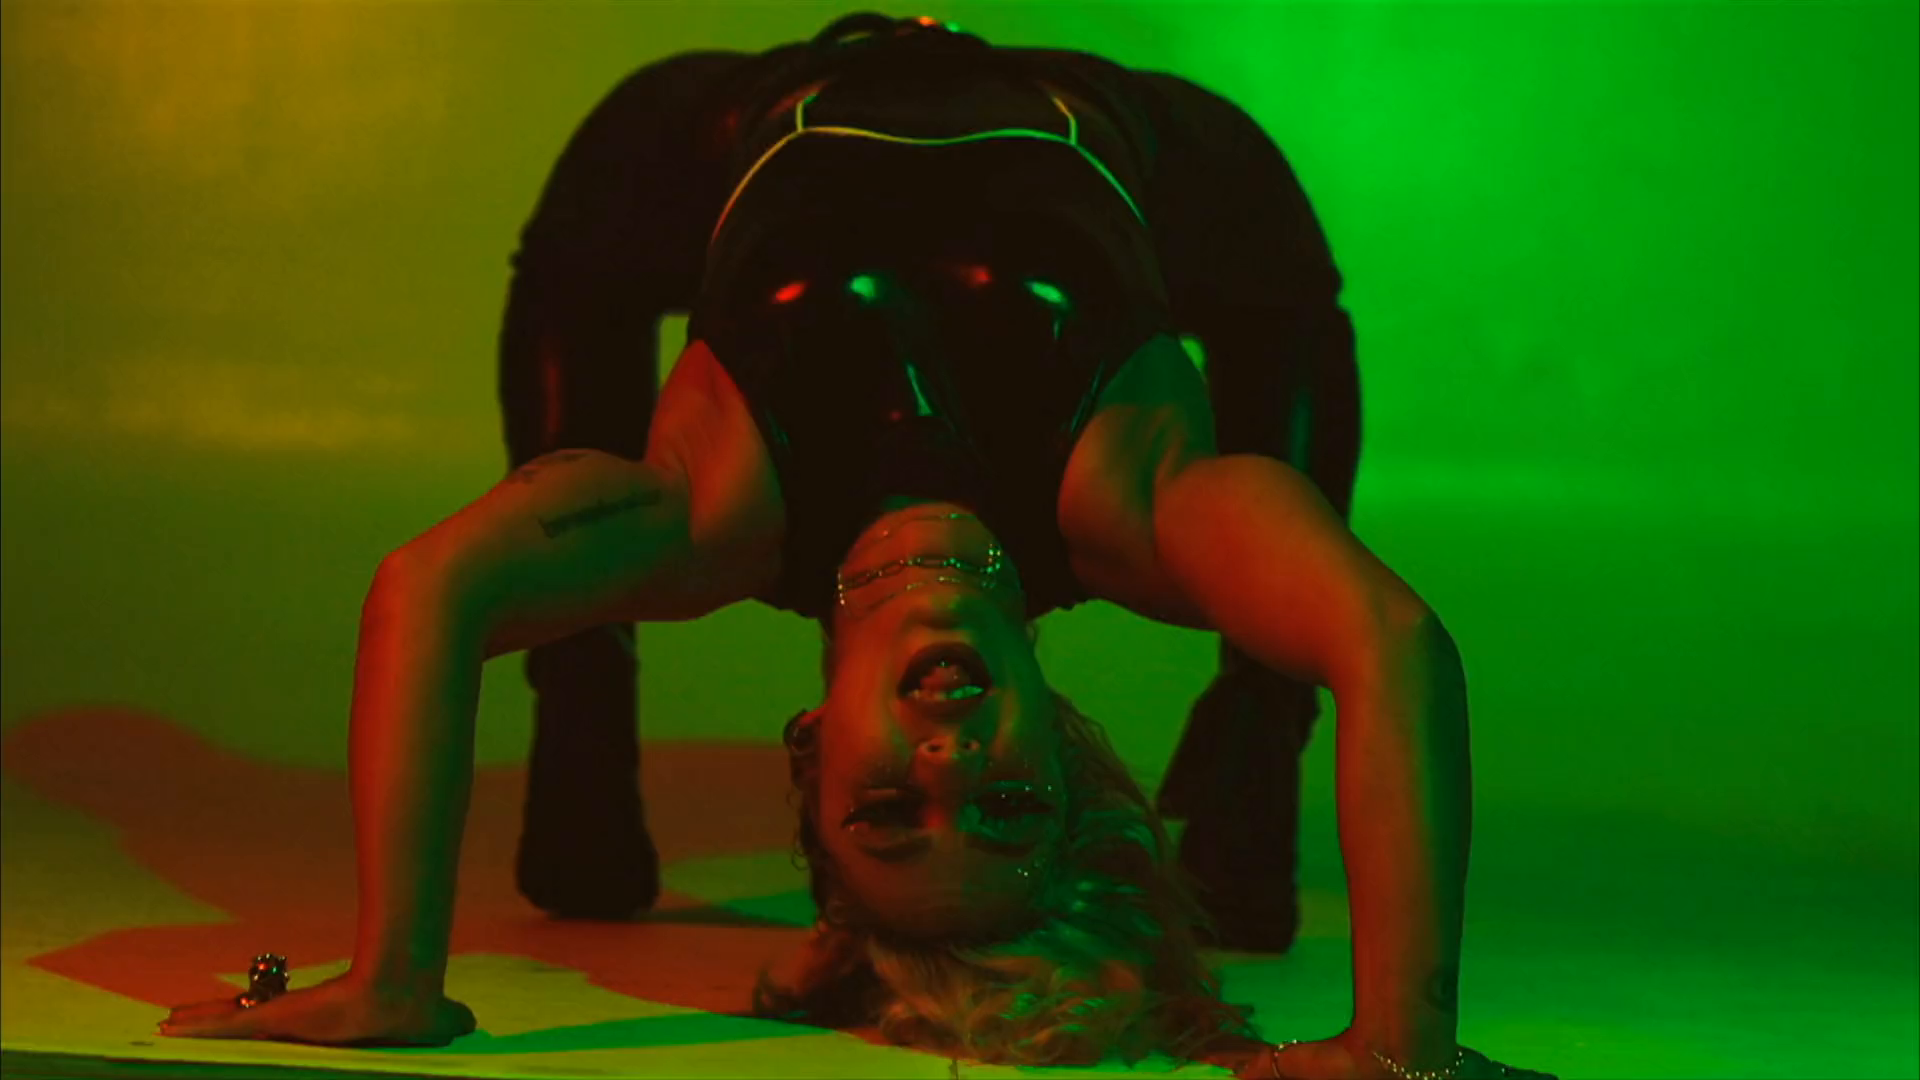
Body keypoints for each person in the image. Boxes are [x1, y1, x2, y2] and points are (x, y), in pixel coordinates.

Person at [159, 13, 1552, 1079]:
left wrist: (397, 977)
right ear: (1072, 758)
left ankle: (582, 696)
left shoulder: (709, 518)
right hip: (1116, 128)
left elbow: (427, 590)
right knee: (1287, 300)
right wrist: (1402, 1046)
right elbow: (1393, 641)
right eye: (1011, 806)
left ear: (814, 755)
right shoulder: (1137, 508)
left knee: (593, 221)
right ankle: (1257, 731)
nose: (949, 765)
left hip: (751, 111)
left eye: (889, 812)